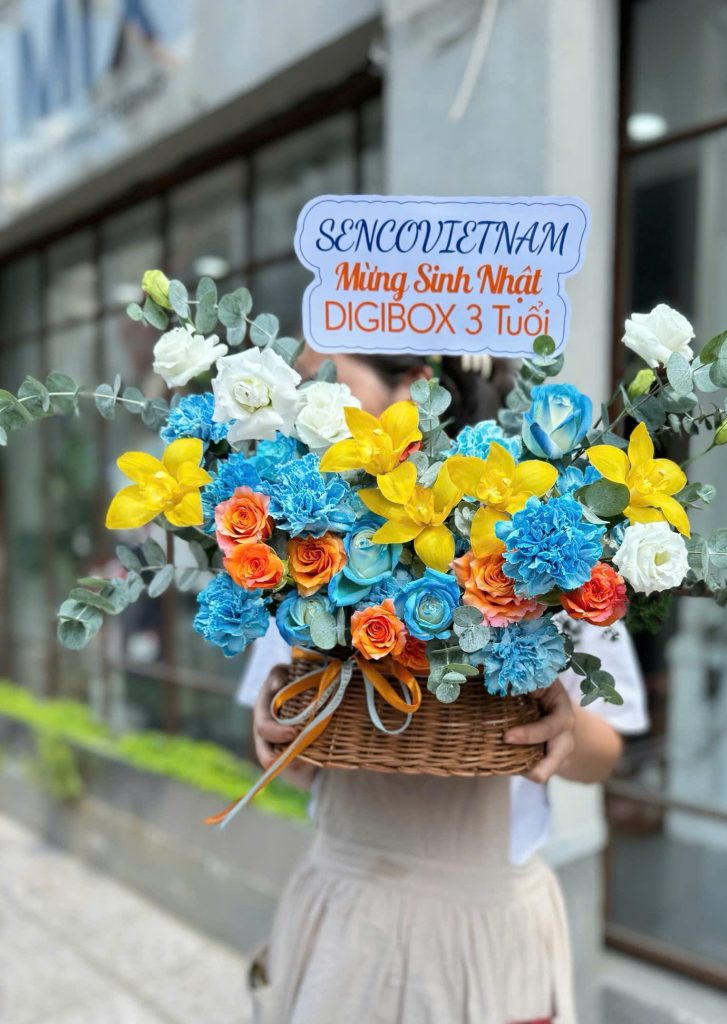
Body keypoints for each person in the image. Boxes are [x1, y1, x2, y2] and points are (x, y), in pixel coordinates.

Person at [239, 348, 649, 1024]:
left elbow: (605, 757)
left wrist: (566, 727)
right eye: (303, 387)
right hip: (345, 915)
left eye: (327, 381)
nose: (308, 401)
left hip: (485, 934)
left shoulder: (551, 552)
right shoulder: (305, 556)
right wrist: (277, 727)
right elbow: (291, 760)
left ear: (416, 388)